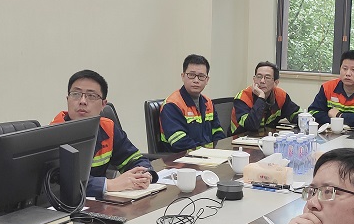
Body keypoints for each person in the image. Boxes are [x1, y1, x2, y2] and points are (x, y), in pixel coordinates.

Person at [50, 70, 157, 199]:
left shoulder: (107, 127)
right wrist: (110, 184)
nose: (82, 101)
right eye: (76, 94)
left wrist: (145, 174)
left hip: (99, 203)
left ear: (103, 105)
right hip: (65, 206)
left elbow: (134, 159)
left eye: (91, 96)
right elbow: (61, 184)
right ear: (68, 99)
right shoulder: (53, 133)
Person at [159, 54, 225, 151]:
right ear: (183, 76)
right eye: (191, 75)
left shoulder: (208, 103)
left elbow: (217, 131)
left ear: (207, 80)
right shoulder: (172, 105)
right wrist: (206, 153)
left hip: (207, 156)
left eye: (201, 76)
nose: (196, 80)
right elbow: (180, 142)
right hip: (181, 158)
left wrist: (221, 150)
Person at [307, 50, 354, 129]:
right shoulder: (327, 87)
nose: (348, 74)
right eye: (345, 69)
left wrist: (339, 115)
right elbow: (313, 112)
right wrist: (337, 122)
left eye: (353, 70)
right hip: (332, 133)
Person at [231, 61, 300, 135]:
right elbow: (251, 126)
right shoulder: (243, 97)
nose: (262, 81)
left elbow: (296, 114)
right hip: (240, 138)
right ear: (254, 79)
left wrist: (304, 119)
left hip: (265, 137)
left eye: (267, 78)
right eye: (259, 77)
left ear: (275, 83)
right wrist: (261, 97)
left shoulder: (280, 96)